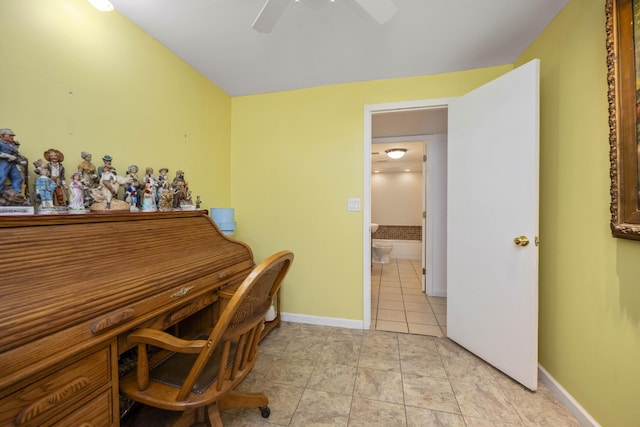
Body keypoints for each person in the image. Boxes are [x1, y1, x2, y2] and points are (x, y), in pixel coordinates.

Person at [0, 128, 27, 194]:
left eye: (12, 136)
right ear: (2, 135)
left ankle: (16, 193)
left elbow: (16, 154)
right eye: (10, 135)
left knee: (18, 178)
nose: (12, 137)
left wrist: (21, 160)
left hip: (12, 163)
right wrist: (8, 156)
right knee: (1, 177)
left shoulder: (12, 144)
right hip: (3, 163)